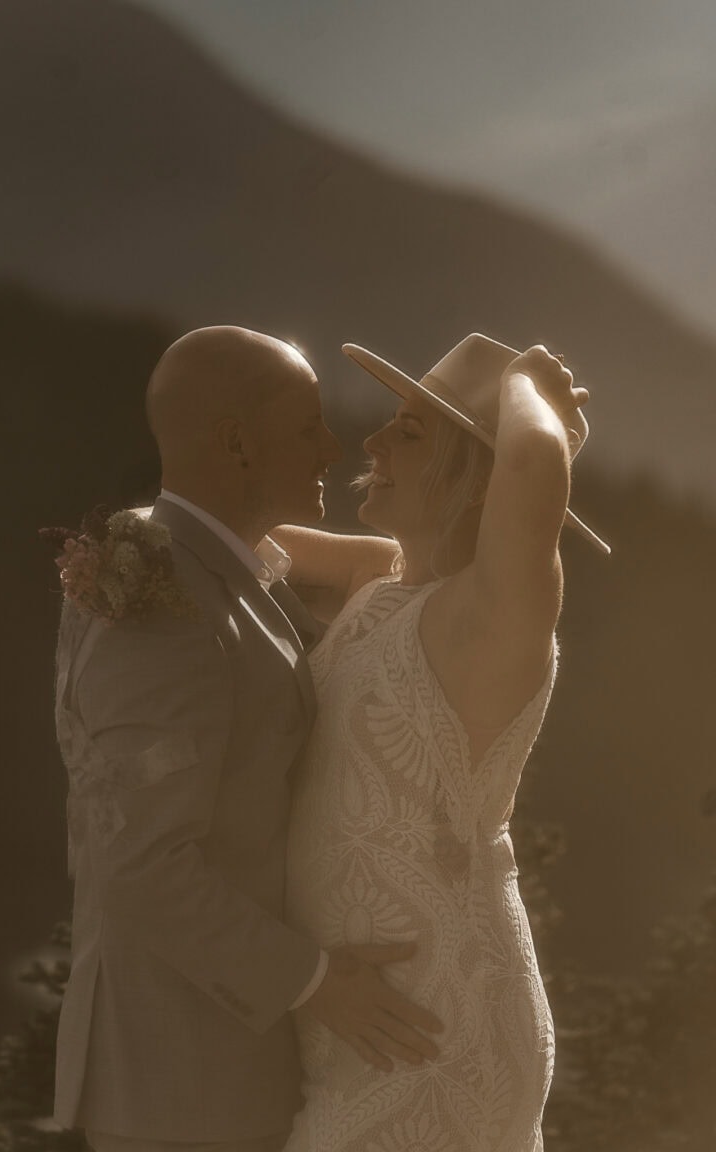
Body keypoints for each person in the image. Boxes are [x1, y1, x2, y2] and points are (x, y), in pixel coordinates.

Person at [50, 326, 442, 1152]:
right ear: (235, 444)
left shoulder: (196, 563)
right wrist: (318, 982)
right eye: (307, 427)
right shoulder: (164, 611)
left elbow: (383, 570)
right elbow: (142, 866)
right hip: (178, 1080)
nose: (332, 448)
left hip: (206, 1067)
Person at [274, 334, 610, 1152]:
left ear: (478, 479)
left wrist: (529, 382)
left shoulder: (496, 611)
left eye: (410, 433)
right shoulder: (377, 582)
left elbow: (534, 473)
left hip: (438, 1023)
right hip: (354, 1016)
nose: (372, 443)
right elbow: (232, 541)